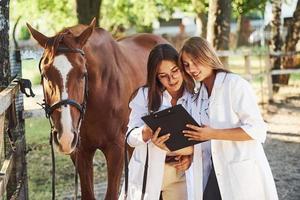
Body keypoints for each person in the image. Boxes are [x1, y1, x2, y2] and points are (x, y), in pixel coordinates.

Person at [179, 37, 278, 200]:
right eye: (186, 64)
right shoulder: (198, 95)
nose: (191, 69)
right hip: (213, 170)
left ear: (208, 56)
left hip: (240, 170)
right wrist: (188, 156)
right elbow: (202, 136)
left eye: (195, 61)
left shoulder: (235, 85)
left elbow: (258, 130)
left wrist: (213, 134)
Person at [119, 44, 195, 200]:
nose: (171, 79)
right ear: (155, 76)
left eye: (175, 71)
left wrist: (190, 156)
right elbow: (129, 137)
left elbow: (204, 139)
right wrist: (144, 133)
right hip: (148, 170)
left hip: (180, 173)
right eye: (163, 75)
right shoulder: (145, 95)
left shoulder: (195, 95)